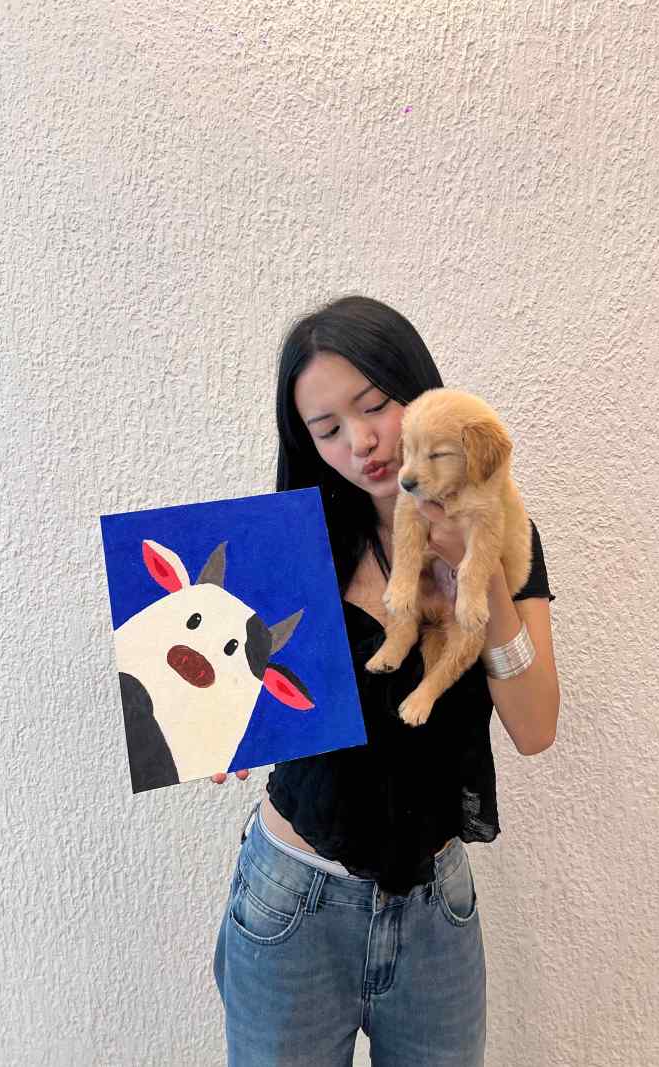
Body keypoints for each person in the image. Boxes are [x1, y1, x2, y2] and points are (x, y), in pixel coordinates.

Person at [211, 294, 559, 1066]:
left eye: (374, 406)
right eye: (327, 428)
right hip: (292, 900)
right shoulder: (289, 544)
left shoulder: (509, 530)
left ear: (420, 391)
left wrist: (480, 575)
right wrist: (217, 726)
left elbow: (536, 727)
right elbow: (234, 691)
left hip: (437, 909)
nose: (361, 441)